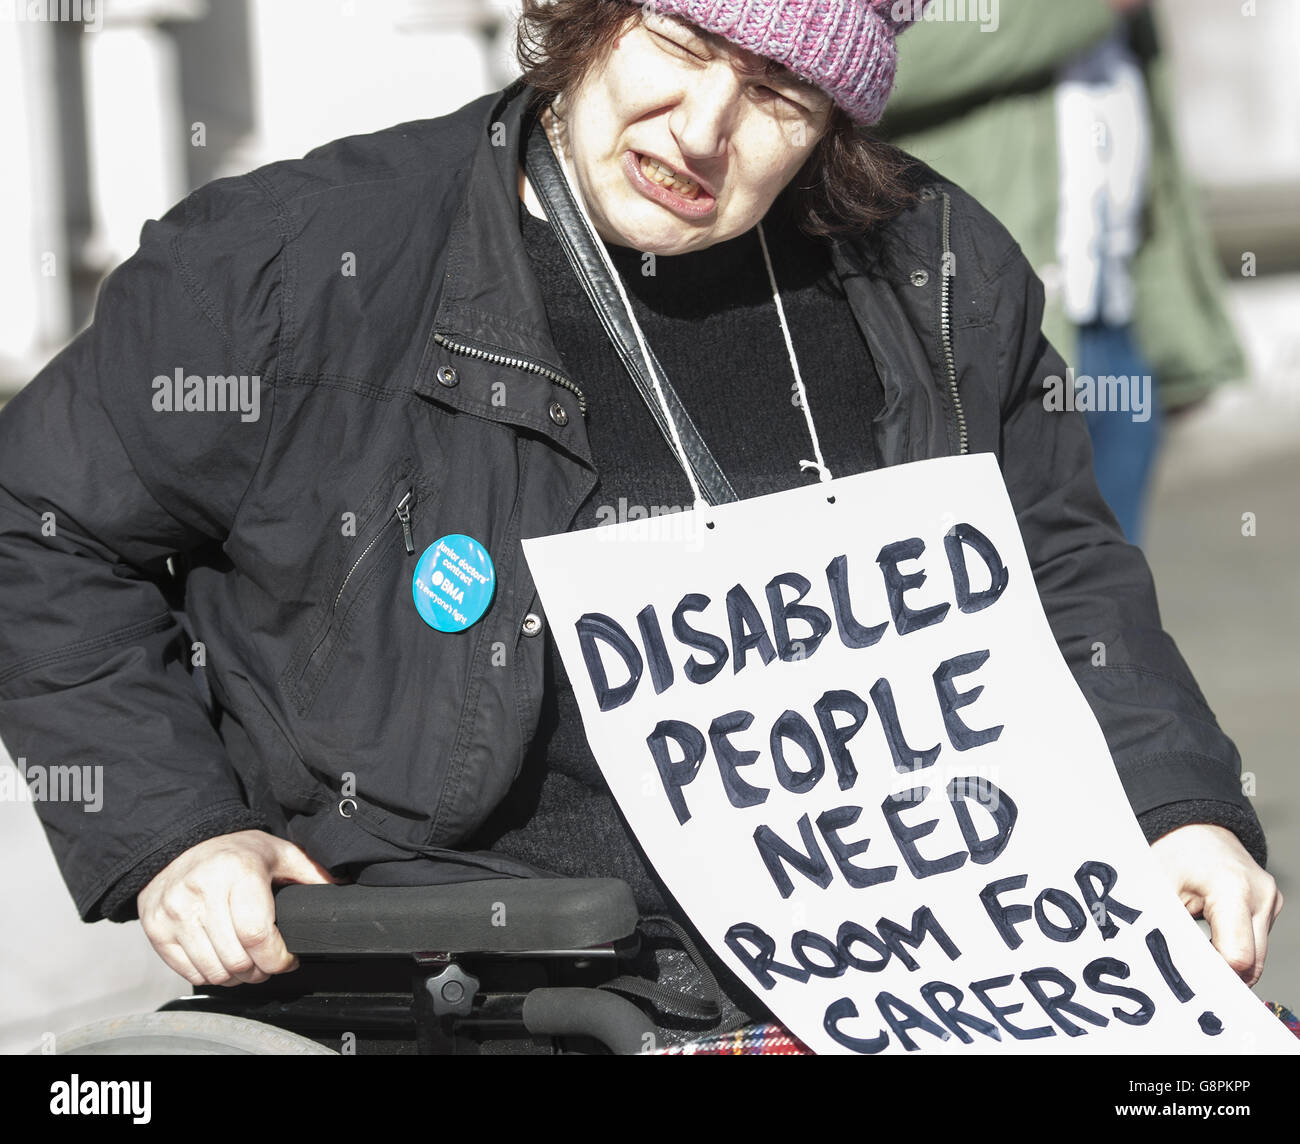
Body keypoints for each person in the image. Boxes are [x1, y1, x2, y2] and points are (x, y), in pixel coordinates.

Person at [0, 0, 1279, 1041]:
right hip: (466, 970)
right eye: (680, 42)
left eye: (780, 92)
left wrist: (1177, 807)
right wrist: (179, 829)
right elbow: (40, 522)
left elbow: (1057, 570)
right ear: (586, 21)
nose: (703, 129)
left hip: (897, 967)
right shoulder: (300, 262)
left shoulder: (936, 270)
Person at [876, 0, 1247, 545]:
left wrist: (1177, 342)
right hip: (975, 340)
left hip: (1110, 328)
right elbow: (876, 61)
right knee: (1003, 595)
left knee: (1111, 598)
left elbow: (1153, 164)